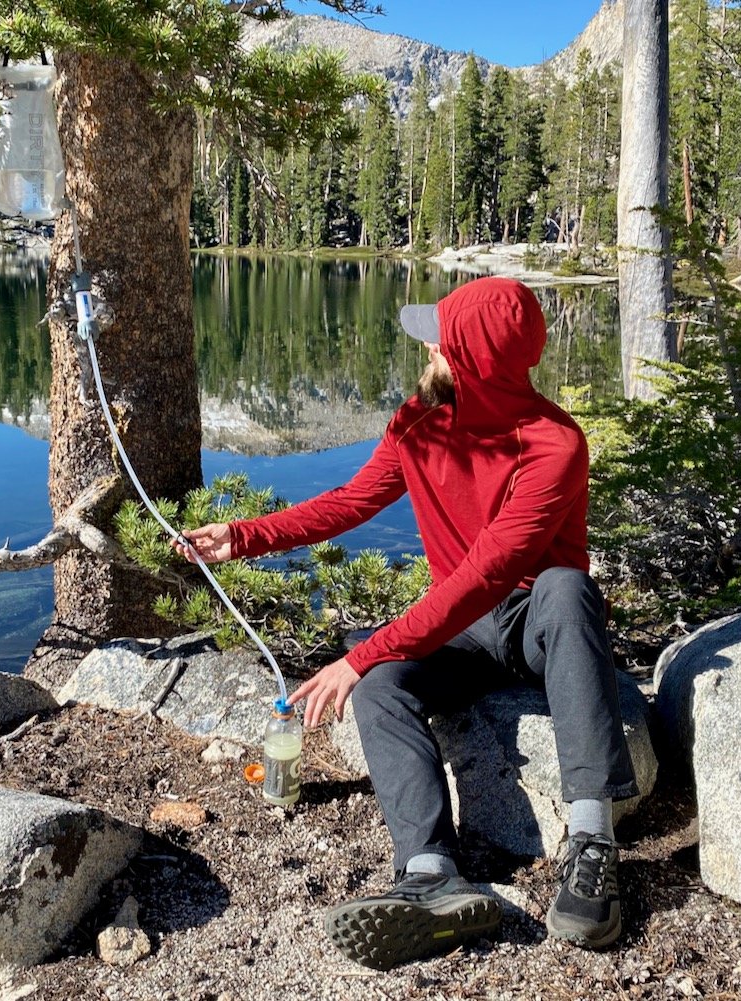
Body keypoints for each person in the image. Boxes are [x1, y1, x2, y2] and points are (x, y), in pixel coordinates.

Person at [174, 276, 638, 970]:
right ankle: (429, 872)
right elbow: (349, 501)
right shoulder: (418, 421)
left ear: (472, 358)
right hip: (466, 628)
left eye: (440, 340)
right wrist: (242, 536)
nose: (427, 348)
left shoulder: (554, 444)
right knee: (386, 683)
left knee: (569, 590)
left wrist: (356, 654)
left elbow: (487, 573)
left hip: (534, 619)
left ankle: (593, 844)